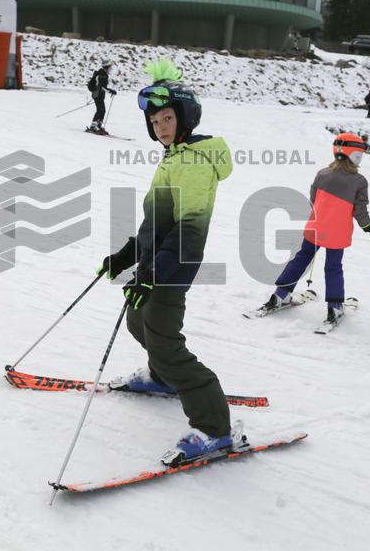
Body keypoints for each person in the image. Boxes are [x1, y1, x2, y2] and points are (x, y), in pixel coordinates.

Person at [97, 57, 239, 467]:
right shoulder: (175, 154)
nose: (160, 127)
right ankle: (162, 379)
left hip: (173, 265)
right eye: (154, 121)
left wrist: (153, 273)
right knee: (138, 320)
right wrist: (128, 253)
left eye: (167, 118)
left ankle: (214, 429)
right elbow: (158, 217)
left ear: (185, 117)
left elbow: (189, 231)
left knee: (164, 340)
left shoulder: (194, 161)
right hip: (155, 260)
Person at [255, 133, 370, 327]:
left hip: (316, 227)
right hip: (337, 233)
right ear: (354, 155)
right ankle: (335, 306)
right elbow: (359, 210)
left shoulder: (322, 173)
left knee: (302, 258)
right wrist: (368, 225)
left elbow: (313, 200)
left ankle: (280, 295)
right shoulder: (358, 181)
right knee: (333, 266)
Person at [86, 60, 117, 133]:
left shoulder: (103, 74)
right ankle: (93, 126)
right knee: (100, 110)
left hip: (99, 95)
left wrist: (109, 90)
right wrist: (111, 91)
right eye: (110, 68)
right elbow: (102, 87)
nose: (111, 69)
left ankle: (98, 125)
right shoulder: (102, 74)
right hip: (97, 95)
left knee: (102, 110)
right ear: (106, 67)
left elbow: (102, 87)